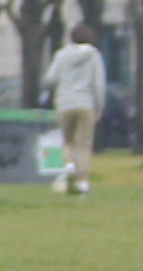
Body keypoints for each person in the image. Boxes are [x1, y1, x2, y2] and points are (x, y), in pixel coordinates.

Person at [44, 25, 106, 195]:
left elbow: (50, 78)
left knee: (68, 141)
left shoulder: (61, 55)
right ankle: (83, 182)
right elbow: (98, 85)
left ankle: (69, 165)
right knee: (84, 145)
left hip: (65, 103)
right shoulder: (94, 56)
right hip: (85, 103)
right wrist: (99, 106)